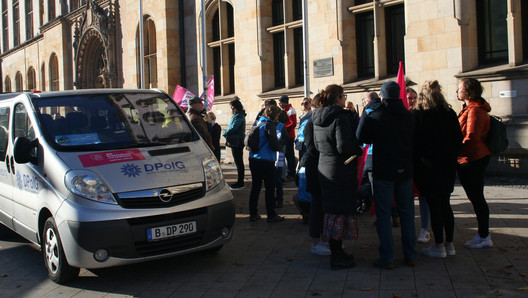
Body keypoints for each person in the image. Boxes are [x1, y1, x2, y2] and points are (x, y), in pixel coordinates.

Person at [357, 81, 416, 269]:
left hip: (384, 170)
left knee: (383, 214)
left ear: (382, 96)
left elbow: (361, 136)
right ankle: (410, 254)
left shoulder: (376, 115)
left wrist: (368, 111)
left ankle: (387, 257)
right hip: (405, 169)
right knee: (407, 213)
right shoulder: (408, 116)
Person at [312, 85, 362, 270]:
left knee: (332, 212)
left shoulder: (316, 116)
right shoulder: (339, 117)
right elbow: (343, 147)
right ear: (338, 97)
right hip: (340, 170)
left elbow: (318, 145)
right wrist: (356, 148)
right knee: (339, 212)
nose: (344, 99)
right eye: (343, 96)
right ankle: (336, 255)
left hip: (324, 167)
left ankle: (338, 252)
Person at [412, 81, 462, 258]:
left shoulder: (418, 115)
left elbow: (413, 143)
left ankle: (439, 245)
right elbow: (458, 139)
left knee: (434, 206)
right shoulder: (449, 114)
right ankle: (449, 244)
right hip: (447, 165)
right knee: (445, 204)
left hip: (427, 167)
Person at [456, 78, 493, 249]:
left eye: (460, 88)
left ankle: (484, 235)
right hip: (470, 158)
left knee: (477, 198)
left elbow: (471, 138)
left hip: (473, 159)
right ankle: (483, 234)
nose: (457, 91)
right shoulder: (470, 108)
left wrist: (455, 152)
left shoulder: (475, 111)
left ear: (468, 91)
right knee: (476, 198)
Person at [299, 94, 331, 256]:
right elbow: (311, 148)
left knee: (322, 206)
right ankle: (315, 241)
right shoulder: (311, 123)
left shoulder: (317, 122)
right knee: (317, 206)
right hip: (314, 167)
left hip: (321, 167)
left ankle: (324, 239)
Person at [248, 105, 288, 223]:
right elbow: (274, 143)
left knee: (255, 187)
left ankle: (253, 213)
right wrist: (280, 146)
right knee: (270, 188)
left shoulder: (258, 123)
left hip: (253, 158)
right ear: (276, 115)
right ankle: (271, 215)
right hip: (266, 160)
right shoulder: (270, 125)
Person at [408, 87, 430, 243]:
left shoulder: (420, 116)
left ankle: (424, 229)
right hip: (406, 164)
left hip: (420, 164)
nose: (412, 101)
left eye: (414, 98)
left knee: (423, 197)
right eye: (409, 98)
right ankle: (409, 229)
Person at [222, 98, 247, 190]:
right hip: (237, 141)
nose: (231, 108)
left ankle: (240, 182)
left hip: (237, 141)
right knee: (238, 162)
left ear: (236, 106)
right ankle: (239, 181)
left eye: (232, 106)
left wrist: (224, 133)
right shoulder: (238, 115)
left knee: (239, 163)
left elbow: (233, 128)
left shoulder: (239, 116)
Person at [279, 95, 297, 180]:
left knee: (290, 155)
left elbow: (293, 123)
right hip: (285, 135)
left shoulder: (291, 111)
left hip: (289, 136)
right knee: (286, 155)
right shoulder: (284, 110)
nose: (279, 104)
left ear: (284, 102)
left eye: (280, 102)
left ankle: (291, 173)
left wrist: (284, 129)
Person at [295, 97, 312, 162]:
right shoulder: (302, 116)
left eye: (306, 103)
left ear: (310, 104)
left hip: (306, 143)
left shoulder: (311, 116)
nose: (304, 105)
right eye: (302, 103)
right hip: (300, 143)